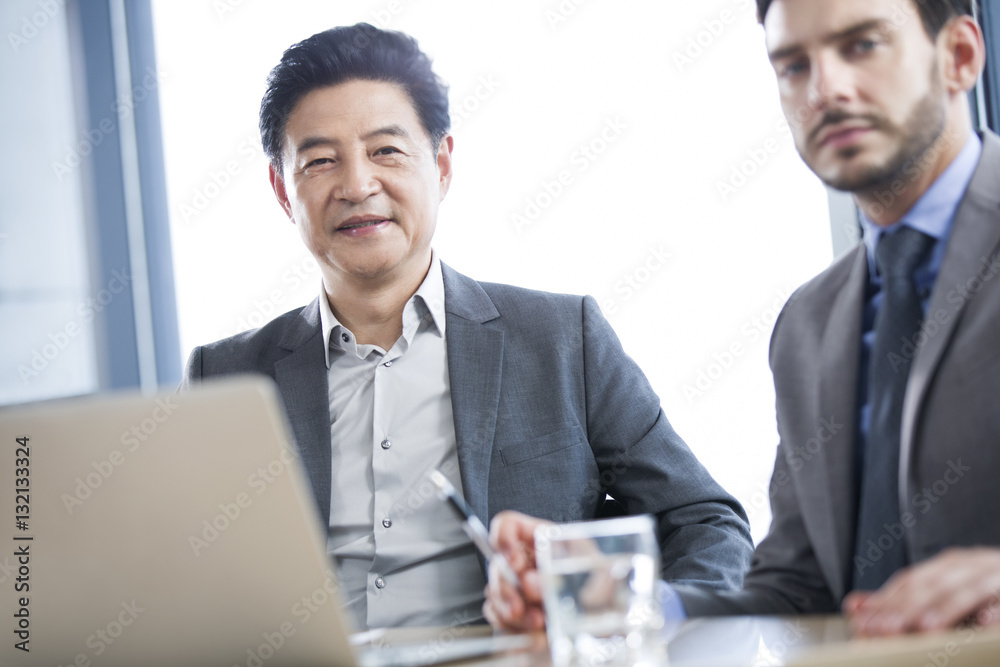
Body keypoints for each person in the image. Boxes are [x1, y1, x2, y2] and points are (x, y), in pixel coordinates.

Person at [180, 23, 753, 631]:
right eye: (320, 161)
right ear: (281, 189)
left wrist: (611, 619)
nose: (356, 185)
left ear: (442, 164)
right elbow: (189, 581)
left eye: (386, 151)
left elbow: (706, 524)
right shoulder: (225, 377)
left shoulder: (561, 338)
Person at [485, 0, 1000, 638]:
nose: (825, 89)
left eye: (862, 45)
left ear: (959, 57)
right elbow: (794, 590)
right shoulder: (809, 324)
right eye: (792, 65)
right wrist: (616, 603)